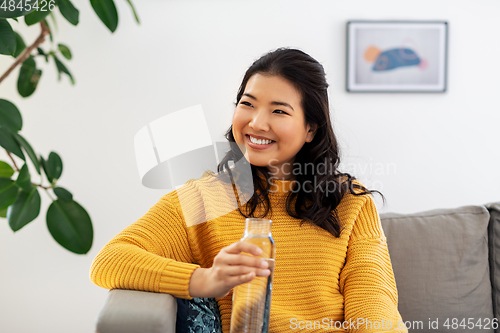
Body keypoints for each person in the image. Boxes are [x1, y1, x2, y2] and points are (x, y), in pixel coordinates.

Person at [90, 48, 407, 333]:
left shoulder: (350, 201)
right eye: (247, 104)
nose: (256, 122)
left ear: (311, 128)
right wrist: (206, 280)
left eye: (279, 111)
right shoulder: (205, 198)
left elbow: (373, 299)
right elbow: (110, 261)